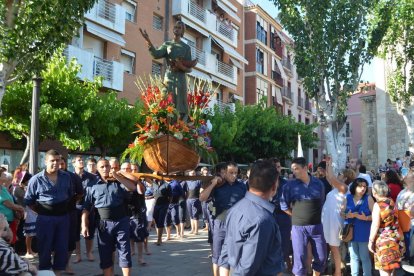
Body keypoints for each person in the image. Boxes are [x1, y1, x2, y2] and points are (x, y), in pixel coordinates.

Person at [218, 160, 284, 276]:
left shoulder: (235, 209)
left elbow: (225, 252)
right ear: (274, 186)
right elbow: (247, 268)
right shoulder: (262, 219)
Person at [82, 158, 137, 276]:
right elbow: (86, 207)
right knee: (105, 253)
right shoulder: (92, 185)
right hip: (104, 224)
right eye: (102, 167)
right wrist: (84, 224)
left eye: (107, 166)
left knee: (124, 251)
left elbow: (132, 188)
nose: (105, 169)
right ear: (97, 169)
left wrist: (118, 177)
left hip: (121, 221)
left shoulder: (118, 182)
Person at [24, 149, 74, 275]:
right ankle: (45, 273)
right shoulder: (36, 179)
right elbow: (29, 200)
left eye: (58, 160)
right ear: (45, 161)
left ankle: (57, 273)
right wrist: (42, 211)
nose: (56, 163)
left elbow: (70, 195)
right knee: (44, 248)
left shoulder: (66, 177)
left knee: (61, 248)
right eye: (52, 160)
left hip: (63, 218)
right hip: (45, 219)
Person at [140, 20, 197, 119]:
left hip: (181, 79)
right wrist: (148, 40)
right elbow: (156, 54)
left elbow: (189, 69)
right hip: (169, 77)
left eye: (179, 27)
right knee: (166, 101)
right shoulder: (167, 44)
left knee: (181, 106)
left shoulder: (186, 47)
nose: (177, 29)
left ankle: (180, 128)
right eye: (175, 27)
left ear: (183, 31)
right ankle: (166, 127)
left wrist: (181, 67)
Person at [280, 157, 327, 276]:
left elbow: (321, 202)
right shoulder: (289, 186)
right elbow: (283, 205)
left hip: (317, 227)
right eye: (292, 169)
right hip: (298, 228)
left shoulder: (318, 184)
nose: (293, 172)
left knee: (321, 257)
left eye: (296, 169)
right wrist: (297, 215)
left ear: (305, 168)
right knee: (299, 258)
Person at [199, 161, 246, 276]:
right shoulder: (217, 186)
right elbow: (202, 198)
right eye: (231, 172)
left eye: (236, 173)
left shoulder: (242, 186)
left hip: (237, 224)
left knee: (237, 253)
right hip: (220, 224)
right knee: (217, 255)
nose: (234, 175)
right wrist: (213, 184)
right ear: (223, 172)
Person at [369, 180, 405, 275]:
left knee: (384, 272)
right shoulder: (392, 202)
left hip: (384, 241)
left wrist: (370, 241)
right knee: (392, 271)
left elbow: (375, 225)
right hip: (395, 239)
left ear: (374, 192)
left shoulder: (377, 205)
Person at [321, 158, 349, 276]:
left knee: (334, 247)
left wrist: (330, 164)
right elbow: (329, 176)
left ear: (345, 178)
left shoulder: (343, 188)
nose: (338, 175)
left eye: (340, 174)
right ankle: (336, 269)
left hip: (335, 221)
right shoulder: (335, 188)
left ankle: (338, 271)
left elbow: (331, 178)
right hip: (328, 220)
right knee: (331, 246)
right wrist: (328, 164)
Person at [342, 177, 374, 276]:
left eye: (365, 186)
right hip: (351, 231)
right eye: (360, 186)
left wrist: (365, 218)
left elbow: (375, 216)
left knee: (364, 257)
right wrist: (346, 215)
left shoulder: (368, 198)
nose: (363, 188)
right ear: (355, 187)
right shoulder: (347, 198)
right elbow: (341, 212)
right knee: (353, 256)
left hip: (364, 231)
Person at [72, 155, 97, 263]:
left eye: (82, 160)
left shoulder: (91, 177)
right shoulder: (70, 177)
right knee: (76, 232)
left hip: (89, 207)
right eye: (79, 160)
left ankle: (89, 252)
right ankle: (78, 254)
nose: (81, 161)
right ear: (74, 163)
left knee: (90, 231)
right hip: (75, 208)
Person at [270, 157, 293, 272]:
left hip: (284, 216)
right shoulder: (265, 182)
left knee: (284, 244)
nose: (277, 169)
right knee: (271, 244)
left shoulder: (285, 183)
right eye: (275, 167)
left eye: (279, 167)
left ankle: (283, 265)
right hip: (269, 216)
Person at [186, 170, 202, 235]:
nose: (193, 174)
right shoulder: (187, 181)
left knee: (195, 215)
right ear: (189, 174)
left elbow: (201, 189)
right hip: (188, 199)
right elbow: (186, 191)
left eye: (194, 173)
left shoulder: (198, 181)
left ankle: (196, 230)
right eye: (191, 173)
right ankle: (192, 229)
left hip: (196, 199)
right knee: (191, 215)